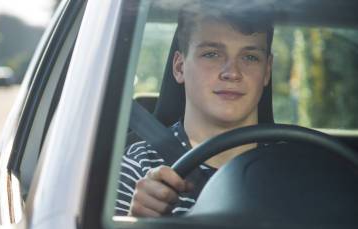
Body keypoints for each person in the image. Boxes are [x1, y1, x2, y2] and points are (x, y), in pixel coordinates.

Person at [116, 5, 273, 217]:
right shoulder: (137, 167)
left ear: (267, 71)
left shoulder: (297, 168)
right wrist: (137, 224)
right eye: (212, 54)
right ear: (180, 67)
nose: (232, 73)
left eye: (250, 57)